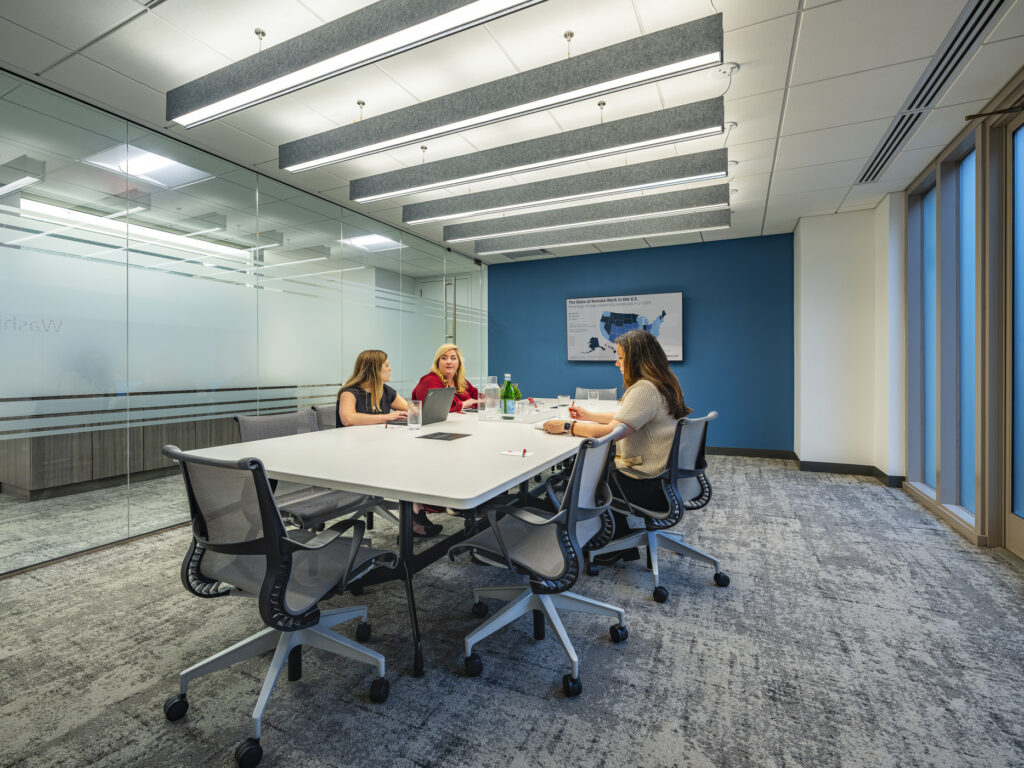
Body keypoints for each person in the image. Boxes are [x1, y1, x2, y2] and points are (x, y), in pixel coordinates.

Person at [542, 329, 692, 562]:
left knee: (579, 478)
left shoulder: (644, 389)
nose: (616, 363)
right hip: (665, 479)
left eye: (620, 357)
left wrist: (566, 426)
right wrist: (588, 415)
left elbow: (611, 432)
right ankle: (618, 540)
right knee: (594, 470)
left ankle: (596, 542)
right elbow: (626, 417)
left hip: (648, 484)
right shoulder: (663, 384)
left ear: (636, 359)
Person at [336, 350, 441, 537]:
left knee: (421, 457)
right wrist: (387, 416)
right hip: (355, 458)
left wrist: (420, 411)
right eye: (386, 365)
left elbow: (411, 409)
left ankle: (417, 512)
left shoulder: (386, 392)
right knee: (411, 462)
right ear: (374, 369)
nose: (390, 368)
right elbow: (348, 419)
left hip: (379, 450)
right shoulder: (350, 393)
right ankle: (415, 517)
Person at [412, 343, 479, 412]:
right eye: (444, 358)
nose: (449, 362)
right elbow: (437, 407)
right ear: (438, 362)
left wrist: (487, 400)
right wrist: (464, 404)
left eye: (453, 358)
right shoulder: (430, 380)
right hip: (435, 423)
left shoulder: (460, 381)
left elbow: (476, 396)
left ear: (459, 363)